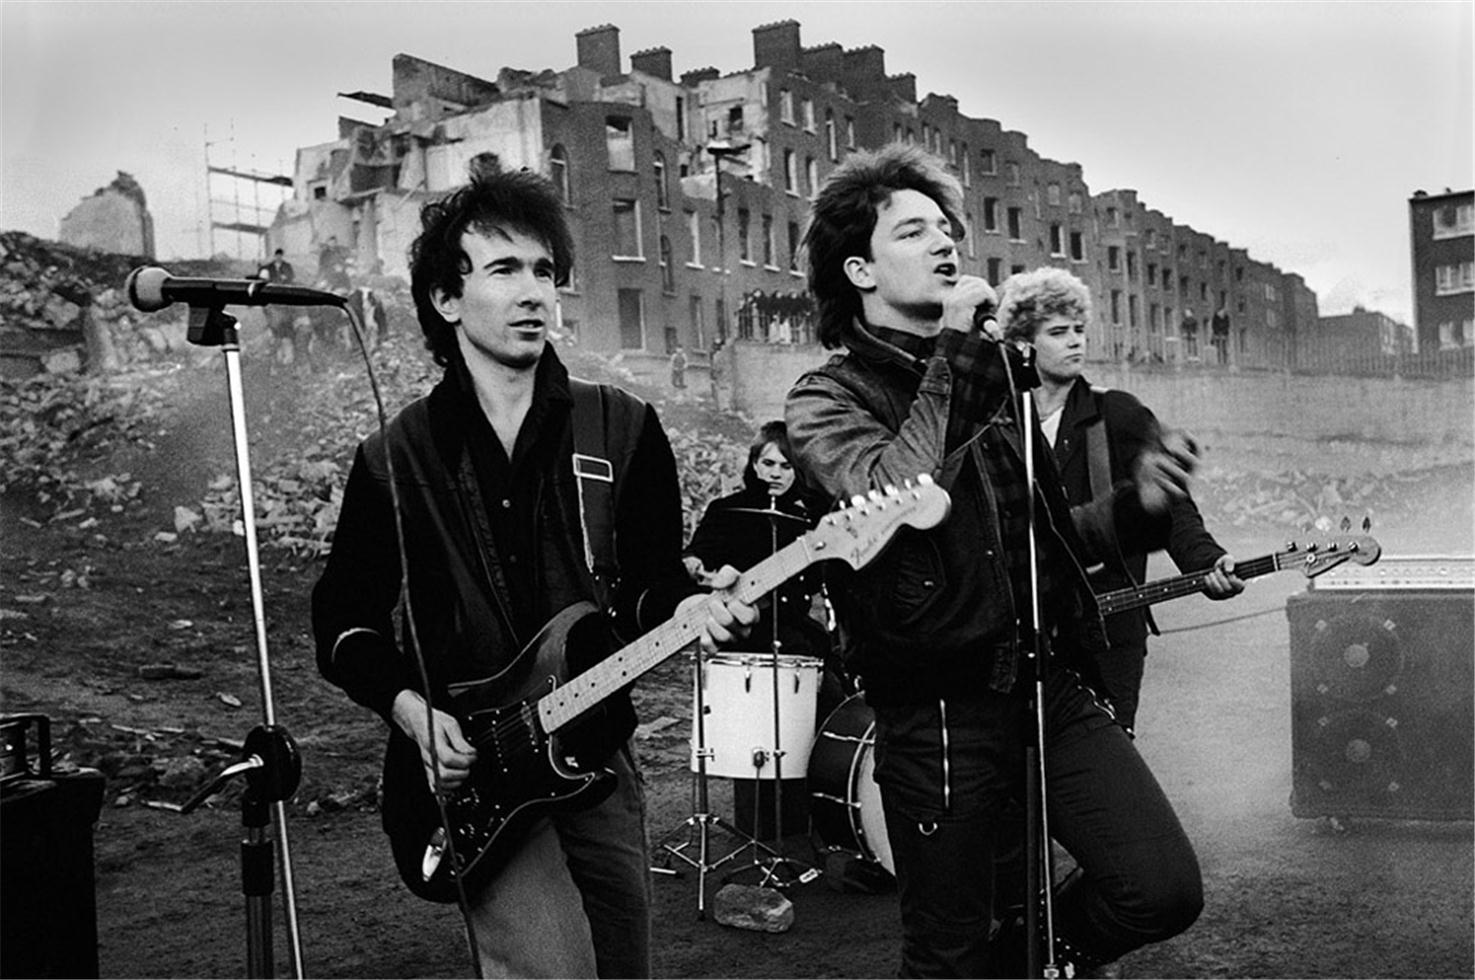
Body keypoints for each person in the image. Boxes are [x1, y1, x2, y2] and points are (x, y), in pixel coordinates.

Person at [312, 162, 754, 979]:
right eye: (505, 269)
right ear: (447, 300)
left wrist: (692, 605)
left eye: (546, 272)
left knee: (624, 966)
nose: (534, 293)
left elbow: (654, 579)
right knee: (549, 970)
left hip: (597, 754)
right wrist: (411, 713)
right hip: (475, 767)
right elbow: (342, 619)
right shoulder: (393, 458)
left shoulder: (621, 427)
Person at [784, 143, 1203, 977]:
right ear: (860, 269)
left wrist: (1138, 507)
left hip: (1046, 688)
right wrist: (959, 358)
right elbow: (887, 491)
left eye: (946, 228)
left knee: (1158, 887)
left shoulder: (991, 384)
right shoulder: (825, 398)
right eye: (915, 232)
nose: (945, 243)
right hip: (936, 714)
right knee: (946, 952)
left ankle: (1018, 965)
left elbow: (1045, 542)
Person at [998, 267, 1245, 734]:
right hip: (1022, 634)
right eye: (1058, 332)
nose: (1075, 342)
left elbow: (1172, 506)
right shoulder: (1002, 420)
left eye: (1079, 330)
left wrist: (1205, 561)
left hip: (1108, 635)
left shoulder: (1116, 412)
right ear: (1023, 342)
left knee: (1104, 762)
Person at [684, 420, 844, 709]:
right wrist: (695, 564)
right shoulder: (725, 510)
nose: (775, 473)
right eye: (768, 463)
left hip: (794, 633)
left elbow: (815, 583)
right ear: (755, 464)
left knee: (832, 696)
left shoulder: (807, 522)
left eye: (786, 466)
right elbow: (696, 554)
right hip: (738, 632)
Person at [256, 249, 298, 365]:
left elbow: (292, 279)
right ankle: (278, 354)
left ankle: (285, 356)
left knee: (285, 326)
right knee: (276, 326)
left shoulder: (287, 266)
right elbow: (262, 281)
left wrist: (286, 280)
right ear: (274, 256)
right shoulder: (268, 268)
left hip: (284, 298)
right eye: (277, 255)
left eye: (280, 256)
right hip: (272, 299)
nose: (278, 257)